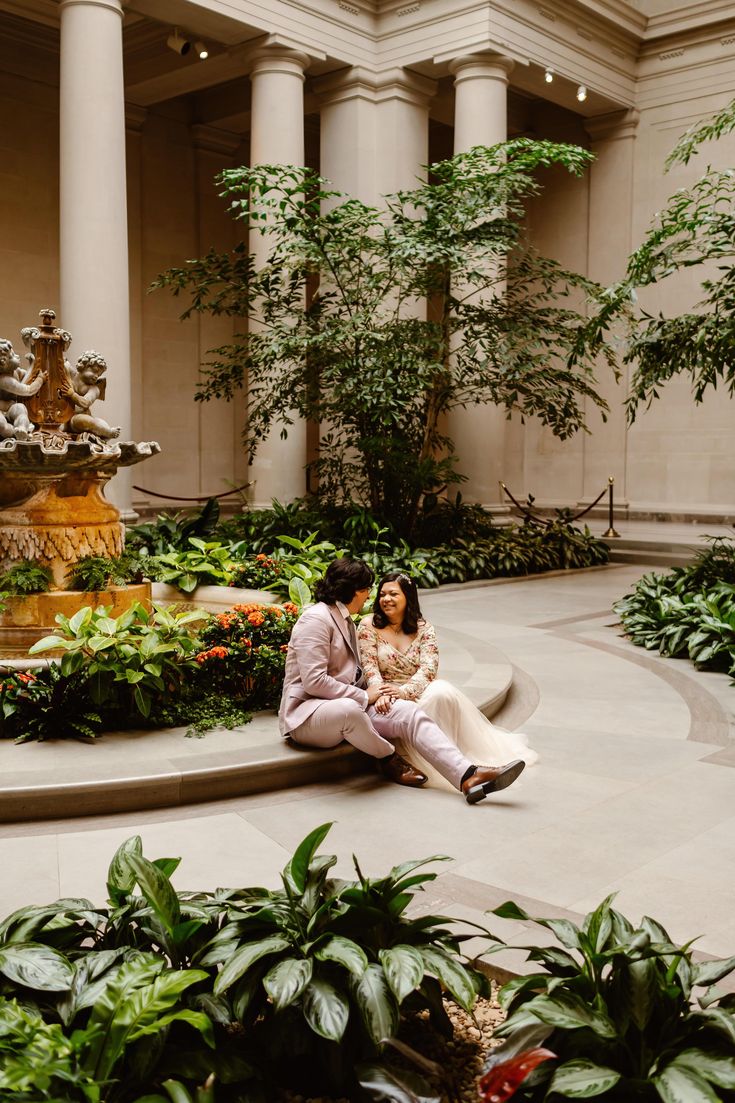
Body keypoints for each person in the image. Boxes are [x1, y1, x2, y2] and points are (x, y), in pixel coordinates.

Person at [278, 557, 526, 804]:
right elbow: (314, 681)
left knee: (408, 712)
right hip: (307, 716)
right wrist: (366, 696)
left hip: (347, 706)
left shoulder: (343, 619)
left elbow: (355, 672)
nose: (370, 597)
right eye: (368, 590)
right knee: (349, 709)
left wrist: (383, 694)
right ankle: (389, 759)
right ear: (355, 590)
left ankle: (467, 775)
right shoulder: (316, 619)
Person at [357, 571, 537, 791]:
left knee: (443, 691)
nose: (386, 599)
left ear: (408, 597)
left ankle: (461, 762)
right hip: (386, 694)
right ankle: (461, 772)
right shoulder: (368, 626)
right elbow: (369, 668)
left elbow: (429, 669)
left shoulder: (424, 628)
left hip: (417, 688)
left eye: (393, 594)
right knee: (409, 706)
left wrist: (405, 691)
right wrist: (384, 693)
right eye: (382, 594)